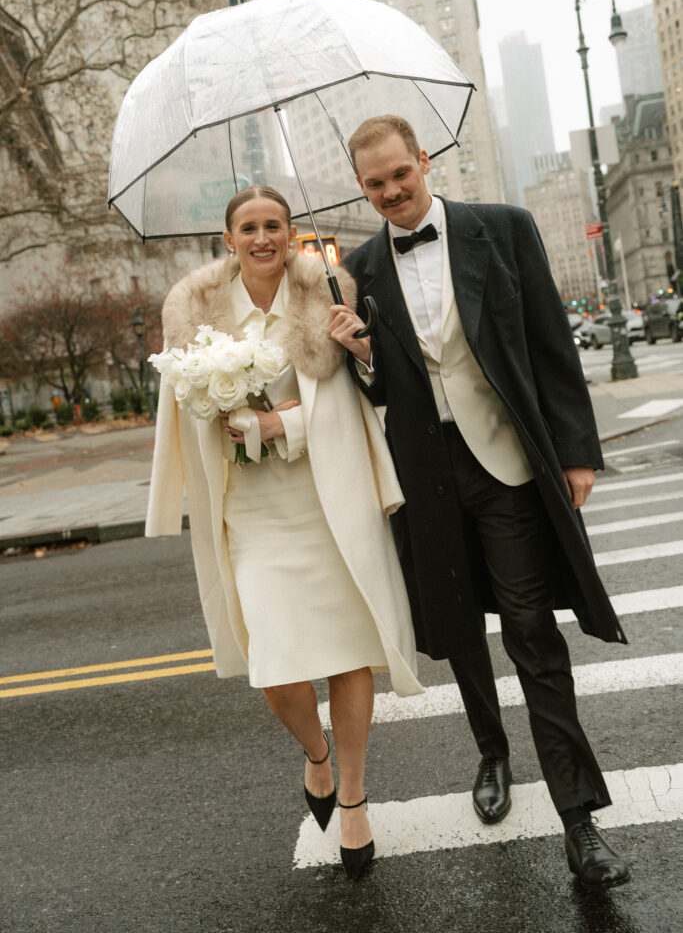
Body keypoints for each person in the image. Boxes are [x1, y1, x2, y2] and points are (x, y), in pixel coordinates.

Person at [328, 115, 630, 889]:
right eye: (374, 184)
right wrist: (361, 354)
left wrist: (573, 451)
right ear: (361, 189)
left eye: (400, 173)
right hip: (424, 475)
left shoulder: (502, 229)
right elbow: (386, 391)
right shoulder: (358, 268)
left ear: (422, 161)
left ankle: (579, 820)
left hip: (505, 463)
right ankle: (490, 753)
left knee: (531, 630)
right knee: (460, 629)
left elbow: (547, 342)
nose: (391, 191)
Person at [146, 184, 422, 881]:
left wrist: (284, 419)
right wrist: (226, 418)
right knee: (277, 669)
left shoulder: (322, 296)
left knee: (348, 653)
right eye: (249, 227)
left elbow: (350, 400)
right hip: (253, 513)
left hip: (327, 498)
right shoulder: (194, 314)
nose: (262, 238)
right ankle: (316, 757)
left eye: (274, 225)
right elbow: (181, 412)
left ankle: (354, 798)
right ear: (228, 239)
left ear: (290, 233)